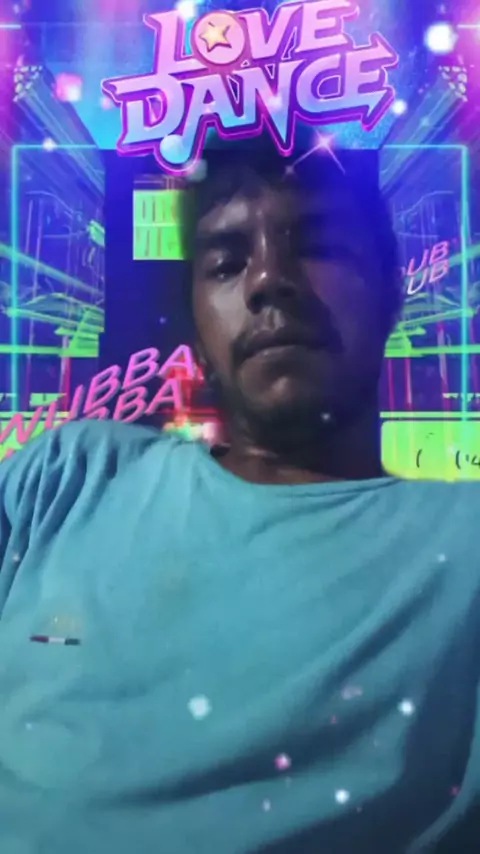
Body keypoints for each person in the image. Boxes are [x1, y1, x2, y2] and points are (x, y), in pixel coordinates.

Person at [0, 136, 479, 854]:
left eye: (317, 244)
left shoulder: (465, 542)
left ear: (392, 289)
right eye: (226, 262)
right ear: (196, 322)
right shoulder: (66, 475)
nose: (268, 280)